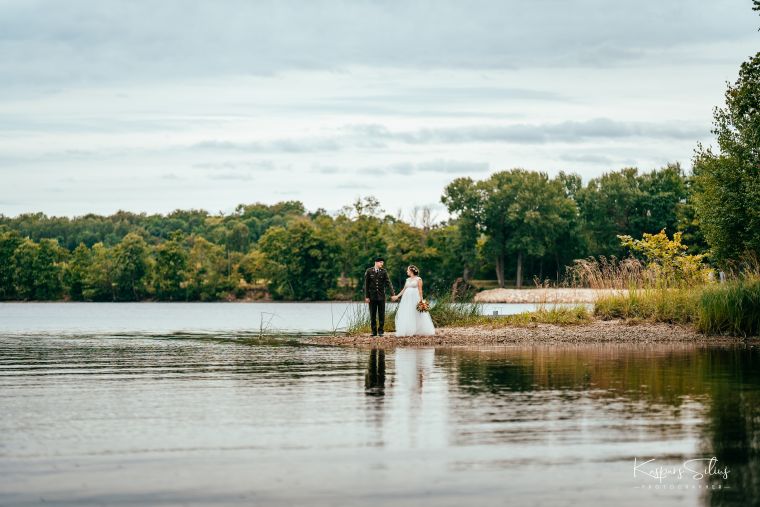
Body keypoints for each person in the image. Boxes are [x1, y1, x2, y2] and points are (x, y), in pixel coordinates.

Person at [391, 265, 435, 337]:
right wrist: (397, 296)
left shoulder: (418, 279)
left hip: (415, 298)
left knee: (416, 312)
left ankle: (419, 330)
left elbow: (420, 290)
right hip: (407, 299)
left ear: (411, 271)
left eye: (407, 270)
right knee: (408, 312)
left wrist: (421, 300)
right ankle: (408, 329)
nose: (407, 271)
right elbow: (404, 289)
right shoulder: (407, 280)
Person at [364, 256, 395, 336]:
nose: (382, 264)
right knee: (372, 314)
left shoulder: (384, 272)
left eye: (382, 263)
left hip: (381, 296)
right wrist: (367, 296)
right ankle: (374, 332)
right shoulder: (369, 271)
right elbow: (366, 285)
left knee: (381, 314)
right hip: (372, 296)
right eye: (381, 262)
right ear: (376, 262)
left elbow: (389, 283)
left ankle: (380, 331)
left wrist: (392, 294)